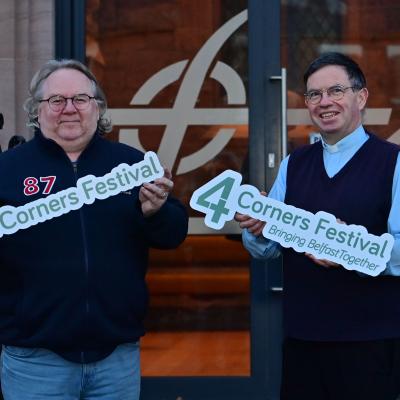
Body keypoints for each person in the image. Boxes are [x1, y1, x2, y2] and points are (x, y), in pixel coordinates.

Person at [0, 59, 188, 400]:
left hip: (116, 358)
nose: (69, 109)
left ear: (97, 108)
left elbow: (174, 233)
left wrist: (155, 212)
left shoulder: (131, 165)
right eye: (56, 100)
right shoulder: (8, 170)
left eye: (80, 100)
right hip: (34, 359)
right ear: (37, 111)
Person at [235, 52, 400, 400]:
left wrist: (350, 250)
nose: (325, 102)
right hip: (303, 339)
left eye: (336, 91)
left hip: (369, 342)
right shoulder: (293, 164)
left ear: (361, 97)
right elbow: (266, 248)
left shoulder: (393, 162)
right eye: (314, 94)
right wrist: (258, 228)